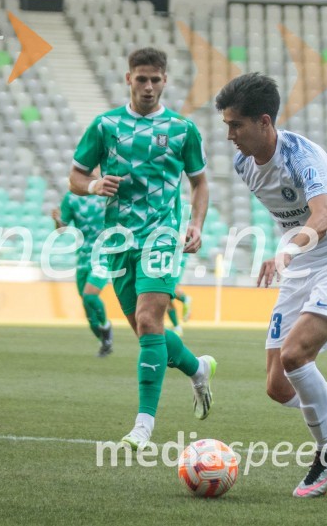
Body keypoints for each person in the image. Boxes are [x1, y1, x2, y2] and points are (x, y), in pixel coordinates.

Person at [215, 72, 327, 498]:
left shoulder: (303, 157)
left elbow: (322, 217)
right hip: (303, 262)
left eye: (235, 125)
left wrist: (285, 252)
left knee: (296, 356)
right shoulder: (244, 163)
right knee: (278, 385)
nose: (229, 136)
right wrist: (292, 253)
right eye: (226, 125)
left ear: (264, 122)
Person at [69, 47, 216, 450]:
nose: (148, 86)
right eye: (141, 79)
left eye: (155, 79)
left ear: (165, 81)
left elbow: (199, 182)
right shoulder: (105, 126)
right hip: (118, 241)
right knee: (144, 331)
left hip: (162, 236)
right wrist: (95, 185)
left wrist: (196, 224)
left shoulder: (183, 130)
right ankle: (197, 367)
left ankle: (143, 426)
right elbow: (76, 177)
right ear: (128, 79)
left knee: (151, 321)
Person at [52, 189, 114, 357]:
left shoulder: (107, 192)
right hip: (82, 259)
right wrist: (57, 220)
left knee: (89, 296)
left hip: (103, 255)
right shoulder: (71, 197)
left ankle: (107, 327)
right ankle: (103, 341)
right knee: (88, 309)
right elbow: (61, 229)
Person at [167, 252, 192, 336]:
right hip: (165, 254)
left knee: (170, 288)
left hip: (177, 254)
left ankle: (185, 299)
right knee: (164, 296)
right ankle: (177, 327)